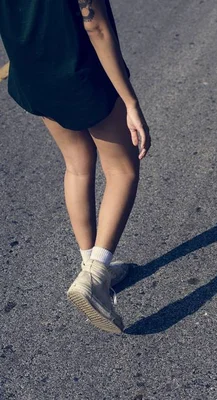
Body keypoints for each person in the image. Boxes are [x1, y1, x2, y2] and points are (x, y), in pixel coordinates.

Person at [0, 0, 151, 333]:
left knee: (77, 166)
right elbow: (94, 24)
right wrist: (130, 101)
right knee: (122, 169)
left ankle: (91, 264)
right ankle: (96, 276)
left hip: (34, 75)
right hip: (83, 71)